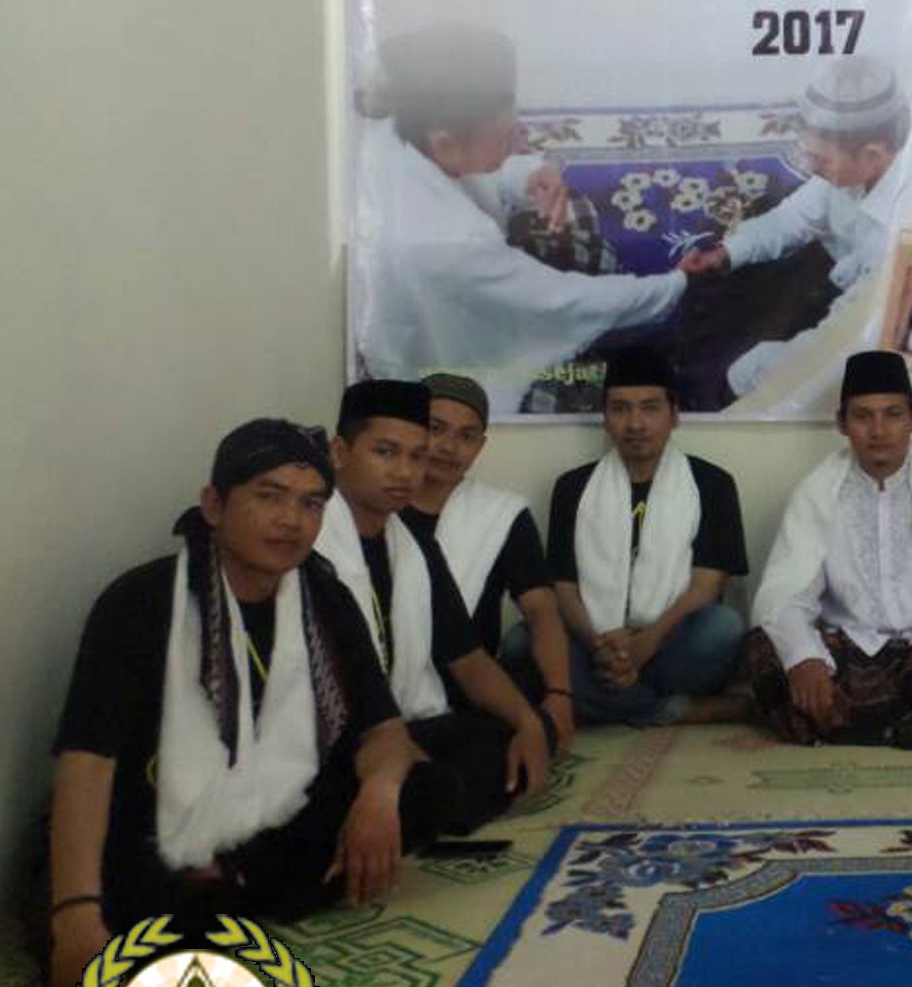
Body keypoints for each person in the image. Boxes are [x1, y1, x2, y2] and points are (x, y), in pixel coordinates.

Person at [46, 422, 488, 987]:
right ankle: (215, 898)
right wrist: (76, 915)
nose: (290, 520)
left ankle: (226, 894)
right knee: (110, 920)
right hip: (161, 823)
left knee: (426, 790)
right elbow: (88, 762)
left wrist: (378, 798)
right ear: (214, 504)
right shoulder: (140, 602)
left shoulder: (324, 597)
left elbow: (385, 730)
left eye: (310, 504)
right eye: (269, 496)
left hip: (275, 813)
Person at [352, 25, 686, 413]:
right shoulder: (451, 240)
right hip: (448, 369)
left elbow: (470, 172)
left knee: (572, 217)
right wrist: (671, 287)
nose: (517, 146)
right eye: (504, 137)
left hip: (439, 305)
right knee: (600, 378)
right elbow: (561, 300)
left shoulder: (398, 131)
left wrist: (530, 174)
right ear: (444, 142)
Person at [743, 352, 912, 748]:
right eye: (862, 416)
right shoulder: (817, 492)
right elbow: (785, 594)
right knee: (763, 648)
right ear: (842, 424)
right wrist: (804, 658)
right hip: (847, 652)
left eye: (893, 414)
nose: (878, 430)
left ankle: (842, 724)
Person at [315, 379, 554, 812]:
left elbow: (468, 658)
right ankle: (414, 800)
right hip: (332, 737)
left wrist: (529, 723)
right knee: (423, 786)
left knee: (522, 729)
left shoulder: (413, 544)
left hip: (410, 720)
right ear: (339, 453)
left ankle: (419, 798)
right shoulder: (308, 540)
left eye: (416, 456)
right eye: (385, 452)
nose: (404, 472)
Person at [678, 56, 912, 399]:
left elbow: (841, 336)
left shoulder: (908, 232)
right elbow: (791, 220)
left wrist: (752, 372)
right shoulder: (852, 170)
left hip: (868, 322)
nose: (812, 169)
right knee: (726, 282)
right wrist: (724, 255)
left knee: (746, 374)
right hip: (836, 280)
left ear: (872, 155)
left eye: (822, 159)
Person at [546, 347, 750, 727]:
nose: (635, 424)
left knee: (723, 628)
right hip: (596, 645)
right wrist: (597, 646)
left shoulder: (712, 484)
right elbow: (564, 588)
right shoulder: (572, 488)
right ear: (605, 417)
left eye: (650, 408)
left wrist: (644, 645)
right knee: (523, 643)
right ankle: (666, 709)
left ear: (675, 415)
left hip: (670, 643)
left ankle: (601, 701)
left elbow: (705, 588)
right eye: (620, 409)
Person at [403, 373, 575, 752]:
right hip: (377, 690)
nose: (448, 447)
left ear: (480, 447)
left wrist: (560, 696)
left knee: (529, 696)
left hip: (470, 692)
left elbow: (541, 610)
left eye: (466, 436)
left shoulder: (501, 514)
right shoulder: (374, 506)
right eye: (435, 429)